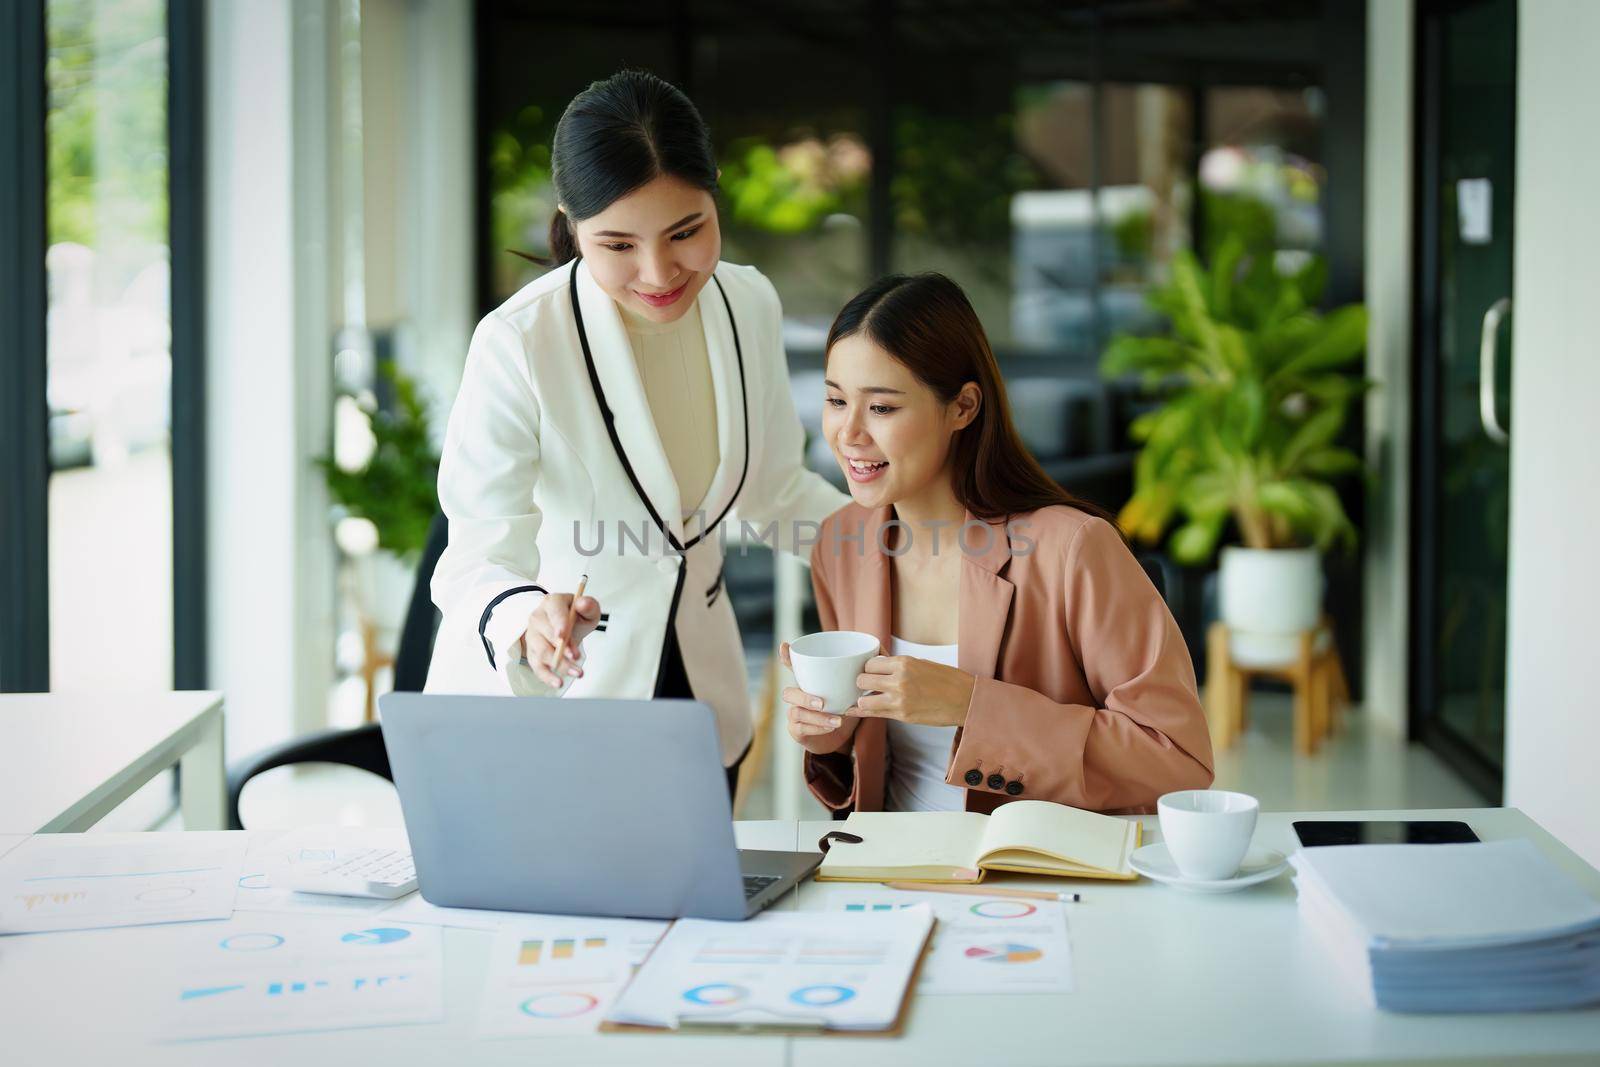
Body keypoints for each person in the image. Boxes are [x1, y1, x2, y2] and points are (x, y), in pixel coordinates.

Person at [425, 70, 847, 796]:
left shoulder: (749, 302)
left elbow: (775, 493)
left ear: (714, 190)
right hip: (555, 709)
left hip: (699, 700)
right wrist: (531, 617)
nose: (659, 273)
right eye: (618, 245)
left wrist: (909, 545)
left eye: (687, 232)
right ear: (570, 221)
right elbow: (473, 557)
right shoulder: (519, 342)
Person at [781, 273, 1213, 815]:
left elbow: (1177, 762)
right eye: (836, 400)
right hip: (885, 874)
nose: (848, 434)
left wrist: (970, 705)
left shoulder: (1072, 549)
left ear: (962, 407)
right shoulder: (840, 542)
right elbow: (870, 769)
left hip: (1036, 881)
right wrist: (830, 737)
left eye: (883, 408)